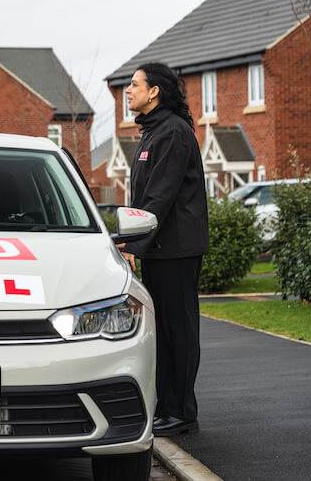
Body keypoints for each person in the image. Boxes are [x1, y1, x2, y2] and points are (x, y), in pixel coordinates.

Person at [119, 62, 208, 437]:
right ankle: (167, 408)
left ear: (154, 91)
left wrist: (131, 243)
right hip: (157, 246)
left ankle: (182, 411)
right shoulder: (151, 132)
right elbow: (144, 197)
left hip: (175, 249)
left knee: (178, 330)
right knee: (164, 332)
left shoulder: (171, 132)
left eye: (135, 84)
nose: (128, 90)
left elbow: (160, 196)